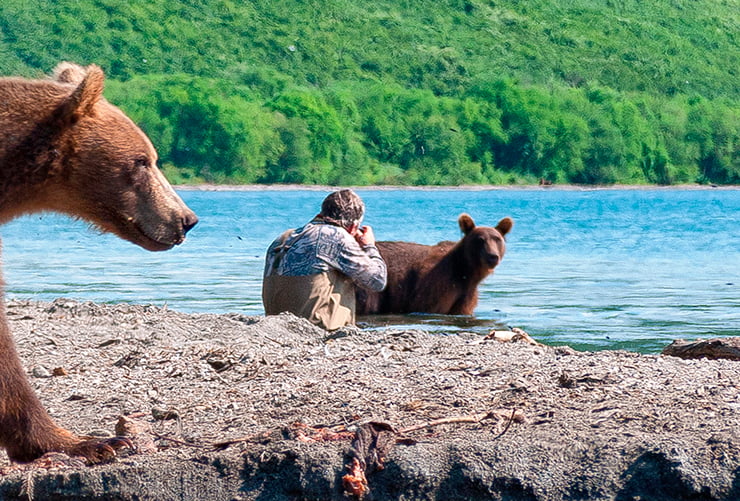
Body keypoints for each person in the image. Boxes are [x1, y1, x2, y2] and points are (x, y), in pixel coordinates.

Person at [262, 189, 387, 330]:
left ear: (321, 214)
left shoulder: (284, 236)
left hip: (274, 326)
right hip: (314, 329)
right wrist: (369, 245)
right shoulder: (336, 236)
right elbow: (377, 281)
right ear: (353, 226)